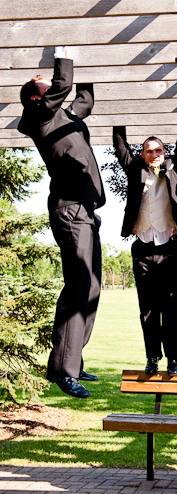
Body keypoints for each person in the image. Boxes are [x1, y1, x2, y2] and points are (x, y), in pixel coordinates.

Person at [18, 46, 105, 399]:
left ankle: (73, 360)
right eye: (45, 83)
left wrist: (94, 64)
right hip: (69, 210)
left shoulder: (65, 118)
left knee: (92, 287)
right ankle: (63, 371)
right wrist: (66, 54)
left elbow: (84, 100)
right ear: (36, 97)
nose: (51, 85)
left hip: (86, 210)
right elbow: (63, 85)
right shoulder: (38, 116)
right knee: (78, 285)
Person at [113, 125, 177, 376]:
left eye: (158, 150)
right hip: (143, 249)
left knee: (172, 306)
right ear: (143, 154)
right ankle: (152, 357)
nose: (154, 154)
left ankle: (173, 358)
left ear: (165, 153)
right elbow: (120, 148)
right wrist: (117, 120)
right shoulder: (135, 170)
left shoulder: (175, 169)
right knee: (147, 308)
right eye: (149, 151)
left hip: (170, 248)